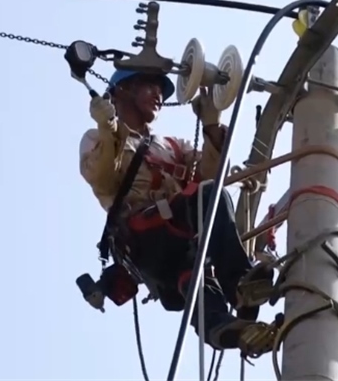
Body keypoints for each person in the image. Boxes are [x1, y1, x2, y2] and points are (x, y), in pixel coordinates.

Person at [79, 68, 271, 351]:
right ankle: (239, 282)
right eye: (149, 85)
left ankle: (221, 325)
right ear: (122, 90)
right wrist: (108, 129)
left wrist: (212, 124)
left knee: (192, 276)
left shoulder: (171, 145)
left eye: (161, 89)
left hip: (177, 236)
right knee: (209, 195)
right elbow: (102, 177)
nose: (159, 95)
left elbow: (211, 174)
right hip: (142, 237)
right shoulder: (98, 138)